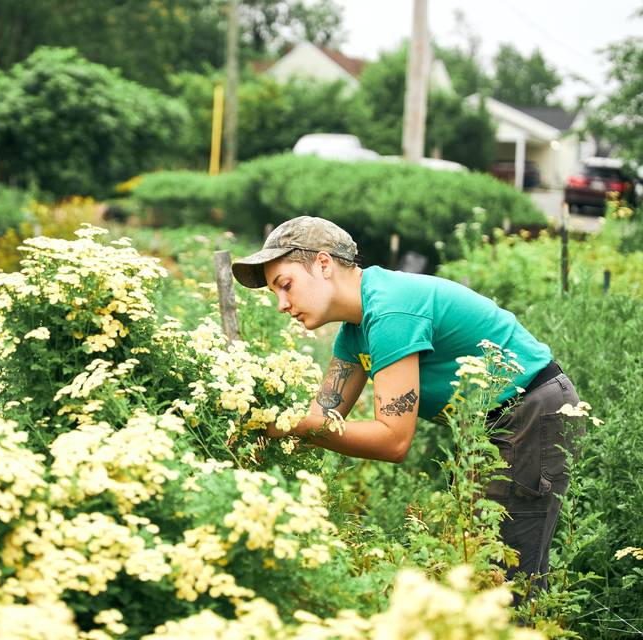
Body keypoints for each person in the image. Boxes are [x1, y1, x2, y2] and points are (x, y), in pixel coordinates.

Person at [231, 215, 580, 593]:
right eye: (275, 293)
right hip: (492, 425)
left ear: (324, 263)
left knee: (507, 583)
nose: (282, 304)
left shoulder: (390, 311)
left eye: (285, 285)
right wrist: (248, 438)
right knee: (476, 567)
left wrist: (283, 424)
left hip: (532, 412)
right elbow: (319, 421)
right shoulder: (354, 331)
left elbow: (392, 440)